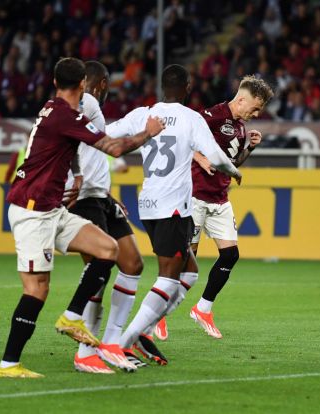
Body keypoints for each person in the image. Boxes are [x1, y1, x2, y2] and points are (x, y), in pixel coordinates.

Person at [0, 57, 164, 378]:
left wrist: (77, 176)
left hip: (53, 208)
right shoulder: (67, 115)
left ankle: (72, 316)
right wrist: (148, 132)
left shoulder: (51, 108)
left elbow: (67, 149)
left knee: (107, 249)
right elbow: (114, 149)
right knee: (36, 290)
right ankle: (8, 364)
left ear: (55, 81)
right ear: (83, 85)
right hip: (32, 211)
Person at [103, 64, 242, 365]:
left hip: (149, 204)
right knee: (169, 277)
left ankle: (143, 331)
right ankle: (128, 341)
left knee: (189, 272)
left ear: (161, 86)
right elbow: (216, 156)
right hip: (173, 208)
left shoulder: (142, 114)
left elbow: (105, 135)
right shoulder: (191, 119)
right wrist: (234, 170)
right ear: (189, 86)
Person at [156, 75, 274, 340]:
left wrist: (250, 149)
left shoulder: (241, 128)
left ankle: (203, 309)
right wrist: (200, 158)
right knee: (184, 263)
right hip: (195, 197)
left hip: (220, 198)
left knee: (230, 255)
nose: (255, 114)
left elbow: (233, 164)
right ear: (241, 99)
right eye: (254, 108)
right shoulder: (210, 116)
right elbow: (182, 140)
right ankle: (158, 315)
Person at [64, 61, 145, 374]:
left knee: (133, 263)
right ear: (96, 83)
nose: (109, 88)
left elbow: (88, 152)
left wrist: (108, 194)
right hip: (84, 199)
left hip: (100, 196)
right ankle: (86, 351)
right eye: (107, 82)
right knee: (99, 270)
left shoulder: (89, 112)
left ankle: (111, 344)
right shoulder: (88, 100)